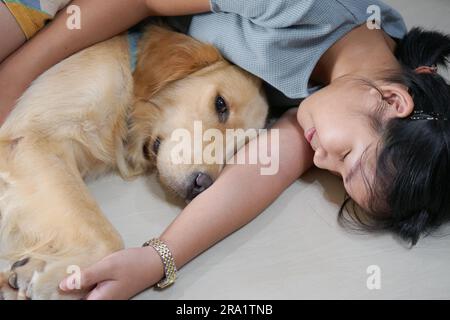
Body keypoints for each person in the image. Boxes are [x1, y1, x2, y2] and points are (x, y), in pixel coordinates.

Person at [1, 0, 449, 300]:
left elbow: (257, 176)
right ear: (393, 101)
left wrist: (157, 260)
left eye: (341, 181)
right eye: (346, 157)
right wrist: (16, 80)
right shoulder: (308, 8)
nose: (319, 163)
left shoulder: (340, 93)